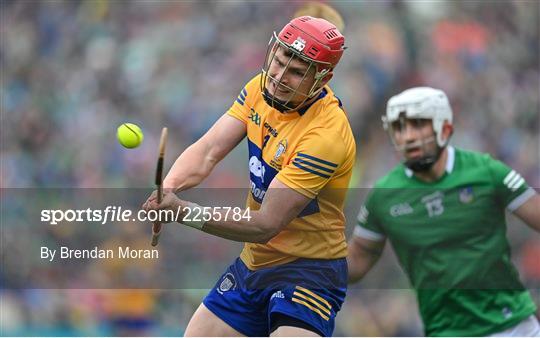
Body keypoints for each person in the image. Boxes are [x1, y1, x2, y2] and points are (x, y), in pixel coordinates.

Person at [143, 16, 355, 337]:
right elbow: (209, 150)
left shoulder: (326, 135)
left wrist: (183, 212)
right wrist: (167, 188)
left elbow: (265, 224)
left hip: (308, 270)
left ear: (322, 78)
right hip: (254, 263)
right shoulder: (258, 86)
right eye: (280, 61)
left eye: (297, 73)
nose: (280, 78)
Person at [347, 86, 540, 336]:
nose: (408, 136)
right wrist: (302, 265)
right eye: (399, 128)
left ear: (445, 128)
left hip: (513, 326)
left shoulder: (486, 171)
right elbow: (357, 259)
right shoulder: (383, 195)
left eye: (418, 125)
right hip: (446, 332)